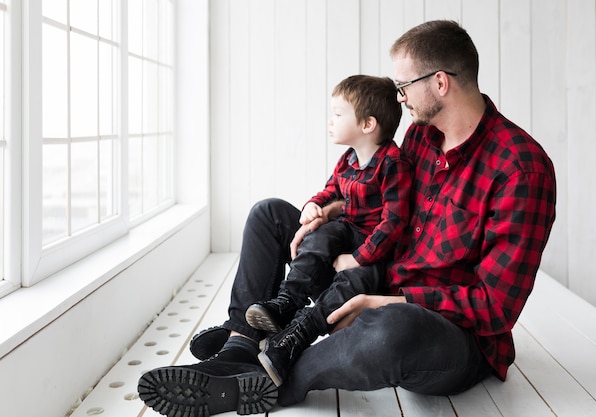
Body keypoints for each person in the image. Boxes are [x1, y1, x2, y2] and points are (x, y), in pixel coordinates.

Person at [137, 19, 557, 417]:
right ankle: (240, 343)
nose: (400, 97)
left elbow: (495, 307)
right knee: (269, 215)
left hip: (442, 328)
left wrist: (387, 301)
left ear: (440, 83)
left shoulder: (521, 169)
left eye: (403, 85)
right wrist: (330, 214)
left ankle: (270, 378)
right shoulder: (420, 136)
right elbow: (382, 202)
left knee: (392, 328)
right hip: (376, 270)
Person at [245, 74, 411, 341]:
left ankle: (300, 331)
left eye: (338, 114)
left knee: (354, 280)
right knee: (318, 238)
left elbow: (394, 222)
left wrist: (357, 258)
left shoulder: (392, 163)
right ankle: (287, 300)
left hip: (373, 249)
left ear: (368, 124)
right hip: (346, 230)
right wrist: (313, 205)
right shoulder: (348, 159)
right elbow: (331, 190)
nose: (330, 121)